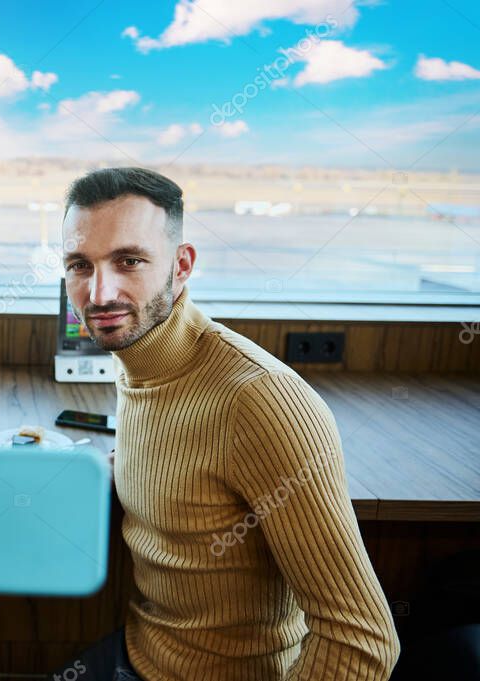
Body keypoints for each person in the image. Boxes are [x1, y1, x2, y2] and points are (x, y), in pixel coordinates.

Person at [51, 168, 400, 680]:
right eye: (80, 265)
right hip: (141, 647)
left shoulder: (260, 400)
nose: (100, 293)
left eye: (129, 261)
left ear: (182, 264)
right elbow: (184, 460)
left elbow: (361, 639)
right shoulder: (139, 357)